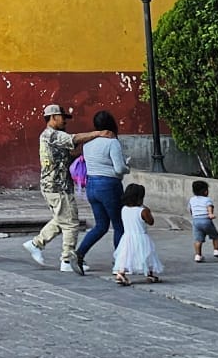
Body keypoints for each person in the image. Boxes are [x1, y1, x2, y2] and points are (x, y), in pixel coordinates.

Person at [23, 104, 117, 275]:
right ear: (53, 117)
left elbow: (66, 155)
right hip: (58, 186)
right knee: (71, 223)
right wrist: (98, 133)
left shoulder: (48, 136)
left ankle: (36, 243)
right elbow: (74, 139)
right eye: (62, 117)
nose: (65, 121)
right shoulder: (53, 134)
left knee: (61, 219)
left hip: (53, 185)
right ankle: (66, 259)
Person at [75, 110, 128, 269]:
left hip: (91, 185)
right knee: (119, 225)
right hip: (109, 185)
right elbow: (119, 168)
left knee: (101, 225)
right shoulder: (112, 142)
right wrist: (128, 168)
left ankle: (79, 254)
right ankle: (119, 261)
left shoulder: (88, 143)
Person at [111, 182, 164, 285]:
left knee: (125, 256)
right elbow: (151, 222)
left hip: (127, 237)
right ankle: (149, 273)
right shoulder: (143, 211)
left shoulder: (124, 209)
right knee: (147, 254)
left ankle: (121, 273)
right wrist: (147, 210)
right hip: (141, 237)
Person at [190, 180, 218, 261]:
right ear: (205, 191)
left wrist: (194, 215)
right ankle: (216, 251)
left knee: (198, 240)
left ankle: (198, 256)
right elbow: (209, 206)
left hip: (196, 221)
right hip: (206, 220)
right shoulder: (207, 199)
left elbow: (191, 209)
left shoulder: (192, 199)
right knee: (215, 236)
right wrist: (210, 214)